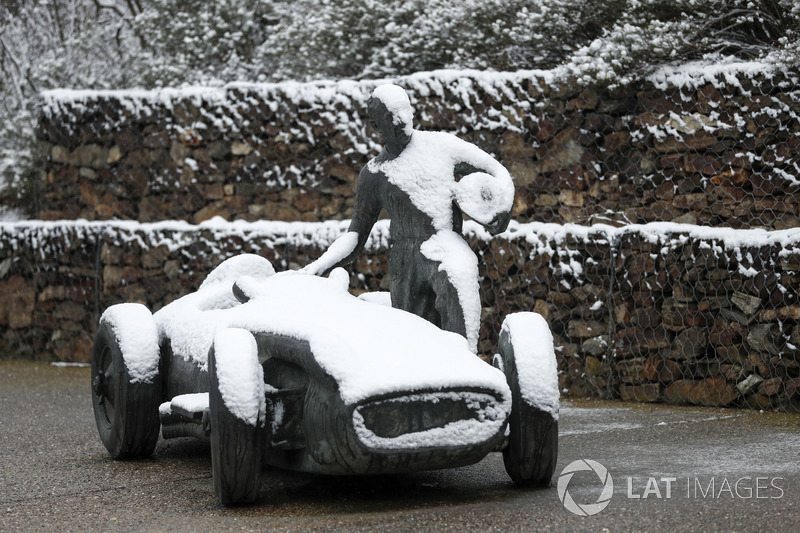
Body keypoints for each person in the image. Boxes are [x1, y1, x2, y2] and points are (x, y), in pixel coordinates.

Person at [303, 84, 514, 353]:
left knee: (457, 283)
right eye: (392, 116)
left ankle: (466, 366)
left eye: (406, 112)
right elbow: (356, 234)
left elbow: (497, 171)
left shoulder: (442, 146)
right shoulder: (374, 174)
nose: (402, 121)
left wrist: (502, 208)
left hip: (444, 243)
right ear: (376, 125)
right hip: (404, 260)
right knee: (411, 337)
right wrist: (320, 266)